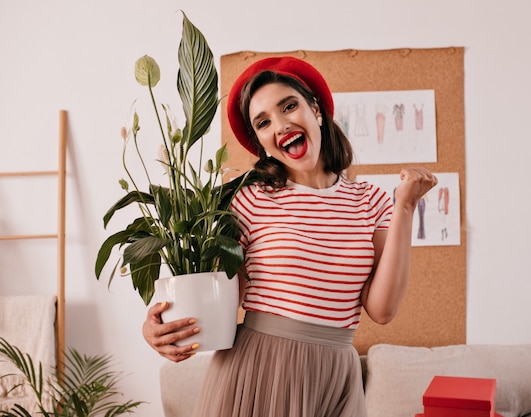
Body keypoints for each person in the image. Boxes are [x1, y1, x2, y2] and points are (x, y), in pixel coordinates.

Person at [141, 56, 438, 417]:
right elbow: (215, 296)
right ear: (261, 143)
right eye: (264, 122)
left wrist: (405, 207)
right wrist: (157, 327)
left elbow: (382, 309)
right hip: (259, 373)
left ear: (315, 109)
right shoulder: (249, 200)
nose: (281, 125)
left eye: (289, 106)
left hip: (336, 376)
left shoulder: (371, 202)